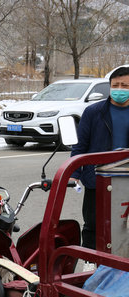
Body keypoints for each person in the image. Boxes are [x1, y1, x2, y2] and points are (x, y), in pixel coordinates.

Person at [70, 66, 129, 250]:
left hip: (126, 178)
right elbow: (81, 146)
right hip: (98, 178)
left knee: (123, 226)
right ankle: (89, 262)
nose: (120, 89)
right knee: (92, 225)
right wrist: (74, 174)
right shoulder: (94, 112)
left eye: (125, 85)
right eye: (116, 85)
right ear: (110, 86)